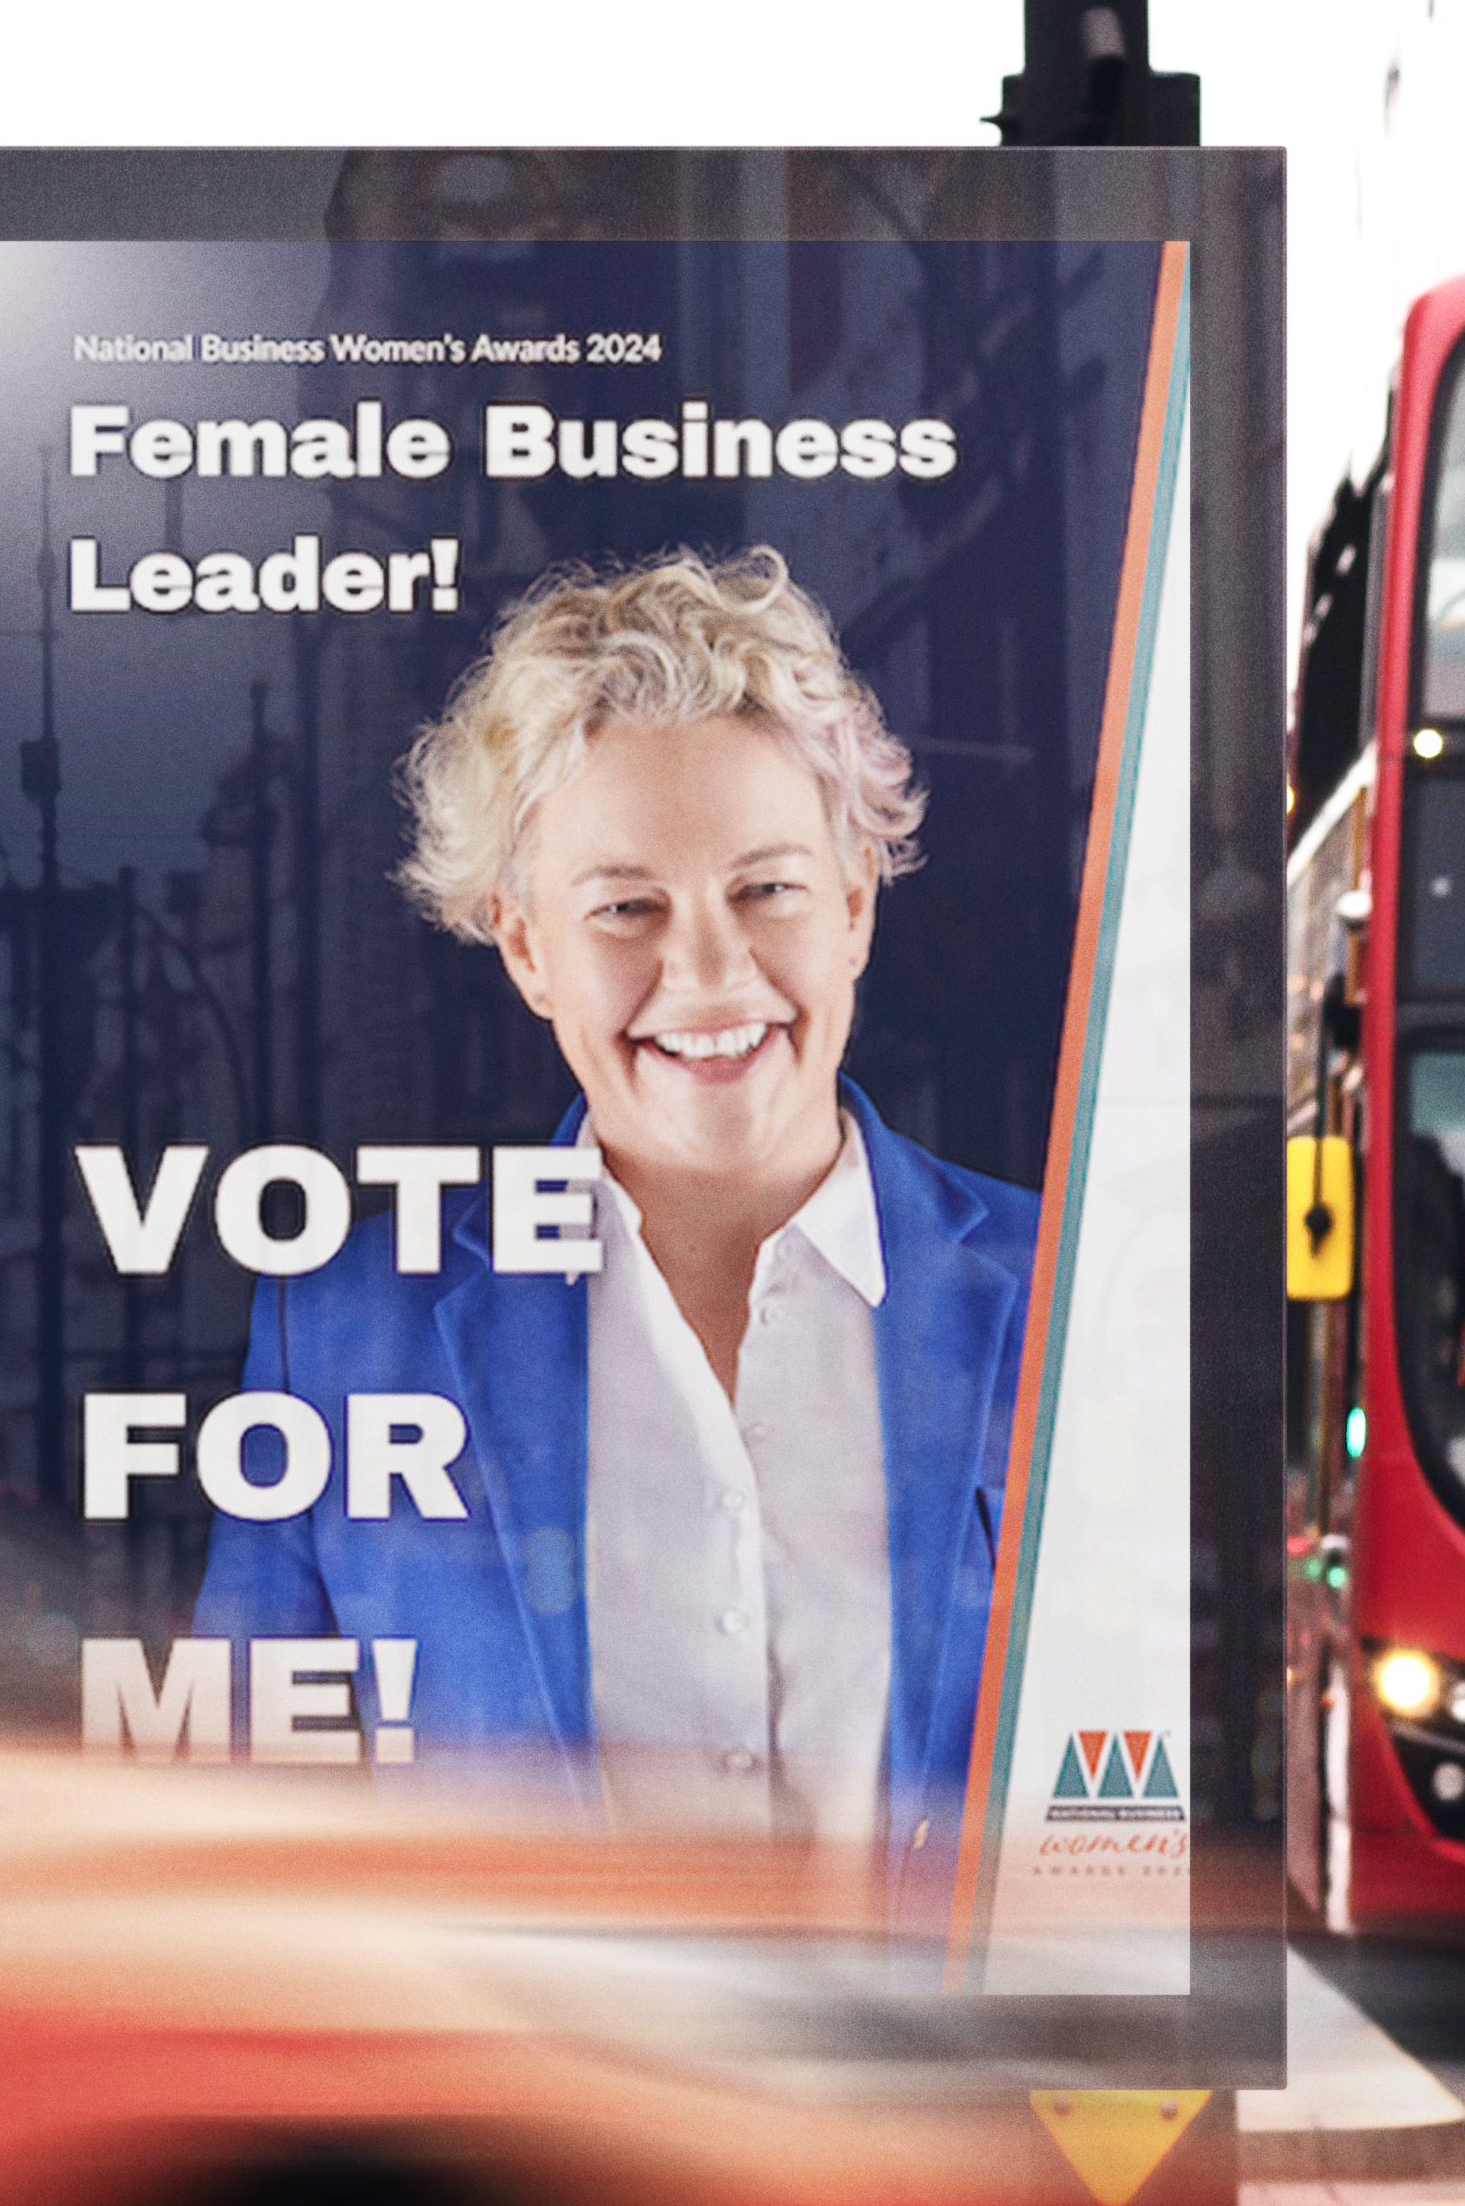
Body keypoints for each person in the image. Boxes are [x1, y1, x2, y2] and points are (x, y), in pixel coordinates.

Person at [193, 548, 1037, 1914]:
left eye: (768, 889)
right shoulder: (350, 1332)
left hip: (959, 2122)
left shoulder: (1069, 1296)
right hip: (512, 2128)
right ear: (524, 947)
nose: (708, 973)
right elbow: (242, 1843)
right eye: (624, 909)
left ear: (857, 906)